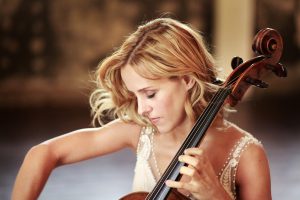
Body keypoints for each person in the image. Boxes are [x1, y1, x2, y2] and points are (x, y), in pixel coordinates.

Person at [12, 18, 271, 200]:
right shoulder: (138, 131)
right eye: (136, 95)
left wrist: (215, 195)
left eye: (150, 94)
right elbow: (43, 153)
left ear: (187, 80)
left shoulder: (247, 154)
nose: (142, 109)